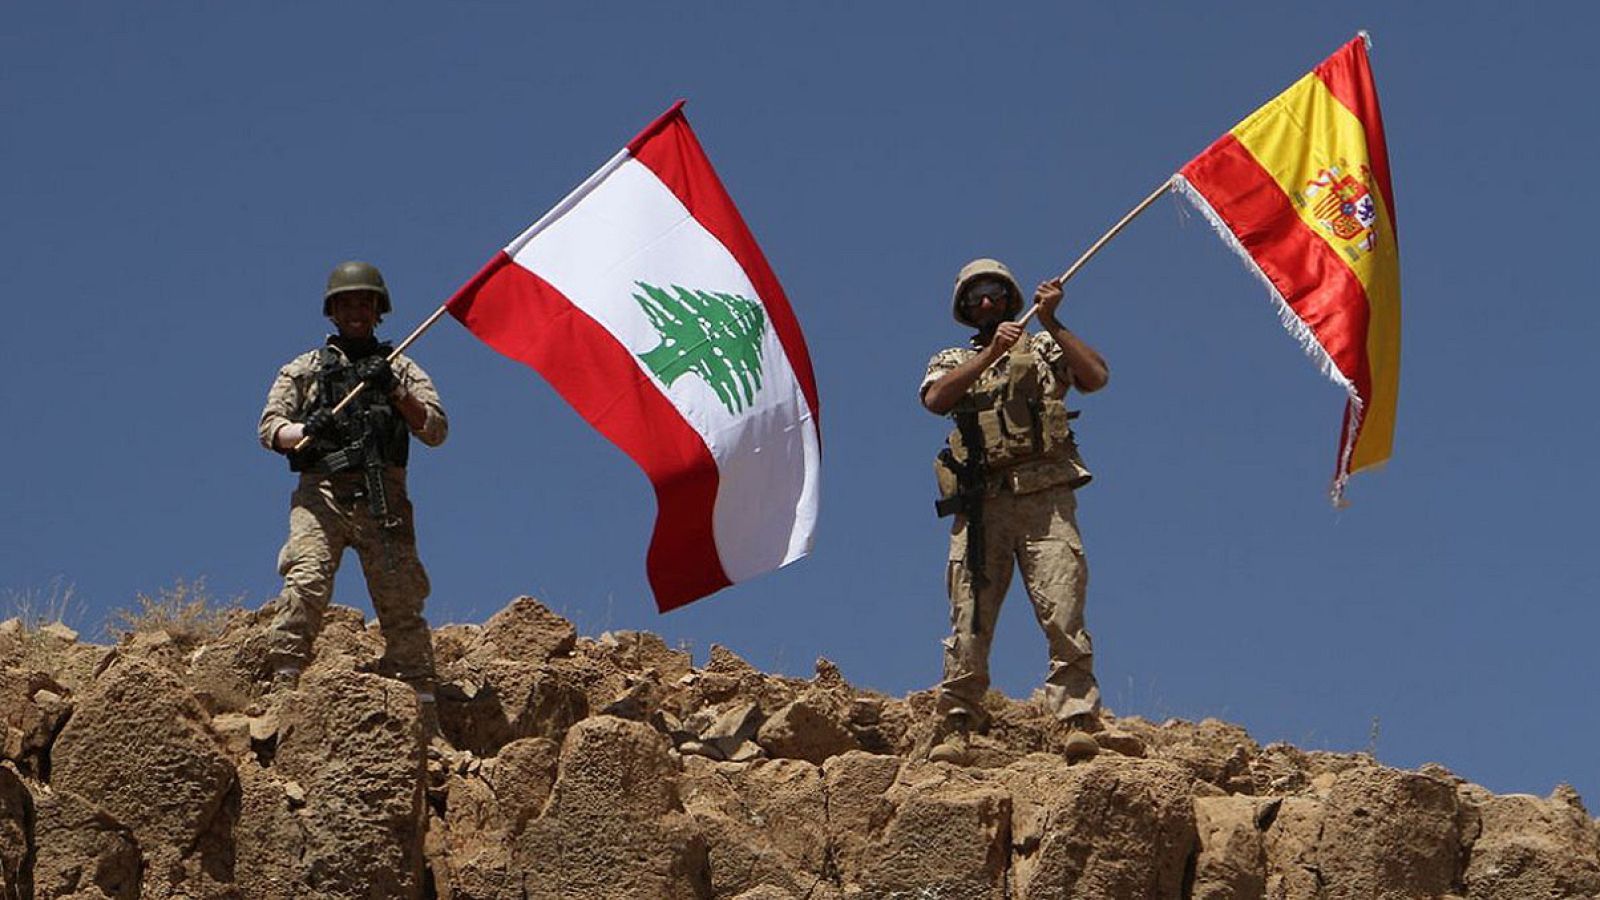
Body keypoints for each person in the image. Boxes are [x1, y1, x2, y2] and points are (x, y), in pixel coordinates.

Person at [920, 258, 1110, 765]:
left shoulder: (1045, 346)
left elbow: (1095, 377)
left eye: (994, 292)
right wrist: (988, 358)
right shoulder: (952, 358)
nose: (986, 301)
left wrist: (1051, 323)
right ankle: (958, 722)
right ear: (966, 307)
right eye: (976, 295)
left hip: (1044, 499)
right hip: (983, 505)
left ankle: (1076, 718)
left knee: (1063, 606)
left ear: (1010, 297)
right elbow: (937, 399)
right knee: (970, 617)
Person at [257, 260, 448, 701]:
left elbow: (435, 430)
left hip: (383, 499)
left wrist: (395, 391)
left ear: (379, 310)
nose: (357, 312)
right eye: (347, 304)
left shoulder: (401, 368)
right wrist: (307, 430)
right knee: (306, 580)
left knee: (401, 597)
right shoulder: (304, 369)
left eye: (365, 303)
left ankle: (421, 698)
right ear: (333, 311)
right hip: (321, 496)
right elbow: (270, 429)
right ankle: (284, 684)